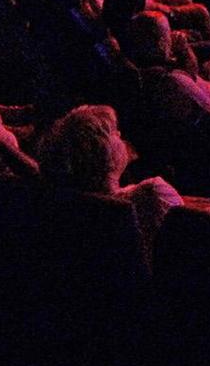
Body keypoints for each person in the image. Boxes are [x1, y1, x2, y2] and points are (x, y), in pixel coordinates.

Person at [36, 104, 182, 255]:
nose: (119, 133)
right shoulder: (152, 194)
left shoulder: (63, 205)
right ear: (101, 151)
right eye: (113, 132)